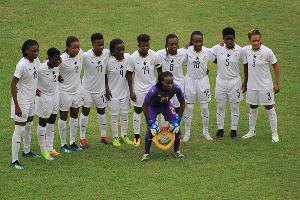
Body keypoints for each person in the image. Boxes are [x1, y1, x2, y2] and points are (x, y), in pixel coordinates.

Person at [241, 29, 280, 142]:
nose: (256, 43)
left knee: (269, 107)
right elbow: (234, 49)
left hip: (265, 86)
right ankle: (251, 131)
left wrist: (276, 83)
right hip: (252, 86)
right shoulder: (246, 50)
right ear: (249, 41)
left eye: (258, 40)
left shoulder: (267, 52)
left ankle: (274, 134)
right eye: (253, 41)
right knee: (253, 107)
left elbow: (275, 66)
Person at [141, 71, 185, 163]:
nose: (170, 85)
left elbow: (182, 102)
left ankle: (177, 151)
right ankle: (146, 153)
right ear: (161, 82)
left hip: (166, 106)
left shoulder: (176, 88)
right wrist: (149, 122)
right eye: (167, 83)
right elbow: (144, 106)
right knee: (151, 130)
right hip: (153, 108)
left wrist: (179, 118)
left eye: (171, 82)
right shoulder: (154, 90)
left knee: (177, 128)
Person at [11, 39, 41, 169]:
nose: (35, 53)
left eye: (37, 50)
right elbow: (13, 85)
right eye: (33, 51)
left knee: (29, 125)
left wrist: (36, 88)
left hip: (31, 100)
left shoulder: (36, 60)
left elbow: (35, 76)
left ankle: (27, 151)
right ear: (25, 51)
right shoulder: (21, 65)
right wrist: (17, 106)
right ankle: (14, 160)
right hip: (22, 101)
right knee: (20, 129)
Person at [127, 34, 162, 146]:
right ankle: (137, 136)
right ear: (138, 45)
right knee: (138, 110)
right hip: (138, 89)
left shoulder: (154, 55)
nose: (146, 48)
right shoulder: (133, 58)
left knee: (154, 110)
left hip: (152, 89)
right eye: (143, 46)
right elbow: (129, 75)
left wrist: (159, 87)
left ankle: (154, 133)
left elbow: (160, 70)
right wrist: (131, 91)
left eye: (147, 45)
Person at [79, 33, 112, 148]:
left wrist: (107, 89)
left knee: (101, 111)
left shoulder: (107, 53)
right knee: (85, 111)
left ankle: (104, 136)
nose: (101, 47)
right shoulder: (86, 56)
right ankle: (82, 138)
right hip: (87, 90)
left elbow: (106, 73)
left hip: (101, 90)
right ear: (92, 44)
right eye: (98, 45)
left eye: (102, 44)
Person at [182, 31, 215, 142]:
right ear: (192, 41)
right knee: (189, 107)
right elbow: (182, 62)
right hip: (190, 81)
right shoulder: (187, 51)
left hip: (203, 82)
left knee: (204, 107)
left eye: (200, 41)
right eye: (196, 41)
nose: (198, 43)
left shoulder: (207, 51)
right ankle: (187, 133)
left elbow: (216, 60)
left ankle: (205, 132)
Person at [211, 27, 244, 140]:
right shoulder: (218, 48)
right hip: (221, 81)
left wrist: (246, 82)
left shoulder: (240, 50)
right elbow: (207, 55)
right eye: (226, 39)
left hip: (234, 81)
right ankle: (220, 130)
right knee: (220, 106)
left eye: (231, 39)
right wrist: (218, 62)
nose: (229, 41)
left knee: (234, 106)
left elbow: (246, 65)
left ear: (234, 38)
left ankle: (233, 131)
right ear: (223, 39)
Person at [58, 36, 84, 153]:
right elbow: (50, 68)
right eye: (74, 48)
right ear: (68, 48)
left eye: (78, 47)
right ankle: (63, 144)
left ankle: (72, 142)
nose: (77, 50)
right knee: (63, 117)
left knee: (74, 115)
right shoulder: (62, 59)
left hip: (77, 91)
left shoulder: (80, 54)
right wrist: (57, 76)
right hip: (64, 92)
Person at [35, 48, 62, 160]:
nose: (57, 61)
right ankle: (44, 151)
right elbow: (31, 78)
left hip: (55, 95)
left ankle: (50, 148)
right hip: (44, 98)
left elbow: (55, 74)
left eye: (58, 58)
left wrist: (58, 77)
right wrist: (35, 89)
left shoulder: (57, 66)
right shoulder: (41, 69)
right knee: (43, 122)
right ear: (49, 58)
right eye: (55, 59)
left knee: (52, 120)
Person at [106, 38, 132, 146]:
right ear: (113, 51)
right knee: (114, 116)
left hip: (125, 93)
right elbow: (104, 76)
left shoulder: (128, 57)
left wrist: (131, 91)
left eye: (123, 49)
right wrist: (107, 89)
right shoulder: (108, 62)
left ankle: (124, 135)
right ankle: (115, 137)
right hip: (113, 94)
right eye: (118, 50)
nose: (121, 52)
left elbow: (130, 74)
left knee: (125, 114)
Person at [157, 34, 187, 126]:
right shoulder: (160, 54)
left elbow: (191, 62)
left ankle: (175, 129)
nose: (174, 46)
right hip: (165, 86)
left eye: (176, 44)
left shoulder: (183, 53)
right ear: (166, 44)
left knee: (177, 108)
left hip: (179, 85)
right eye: (171, 44)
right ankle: (164, 132)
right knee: (165, 107)